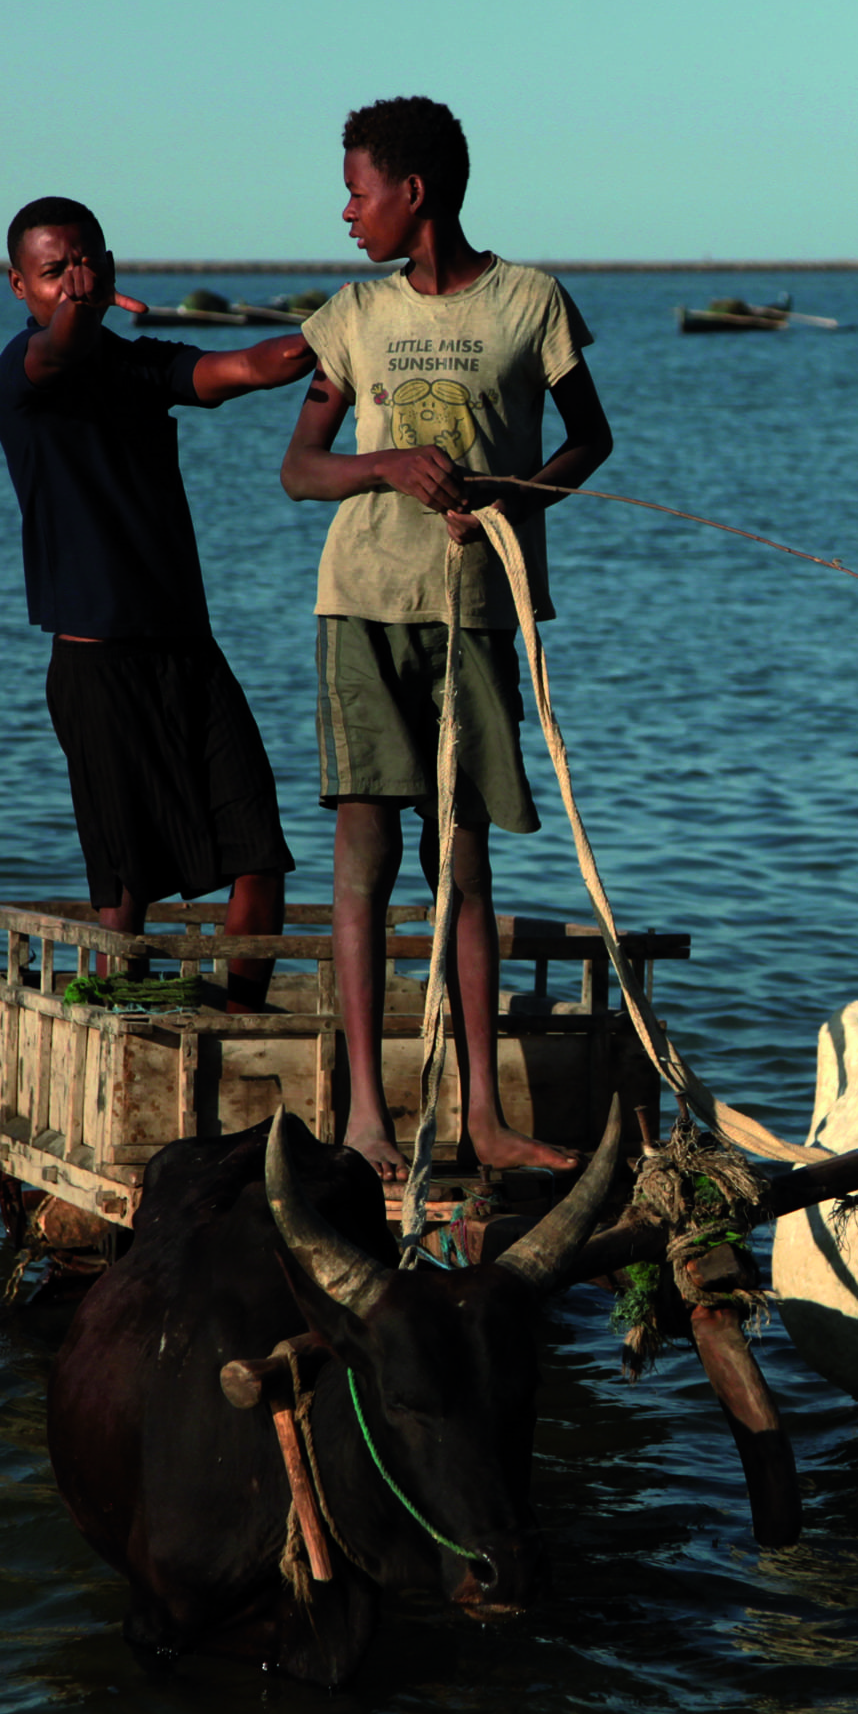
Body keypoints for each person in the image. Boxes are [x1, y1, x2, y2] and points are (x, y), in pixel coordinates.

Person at [281, 97, 614, 1178]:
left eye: (358, 191)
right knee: (366, 857)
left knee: (460, 856)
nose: (346, 213)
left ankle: (481, 1117)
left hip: (474, 609)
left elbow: (590, 437)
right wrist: (388, 465)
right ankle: (367, 1116)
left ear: (412, 194)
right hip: (364, 604)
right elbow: (302, 469)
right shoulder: (356, 314)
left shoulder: (530, 303)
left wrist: (515, 501)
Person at [0, 196, 314, 1009]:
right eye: (55, 269)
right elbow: (59, 346)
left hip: (186, 649)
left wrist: (342, 331)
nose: (77, 277)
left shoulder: (140, 364)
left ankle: (243, 1017)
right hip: (94, 662)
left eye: (89, 259)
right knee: (125, 882)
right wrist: (77, 313)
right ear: (20, 286)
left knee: (259, 851)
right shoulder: (22, 369)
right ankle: (120, 1019)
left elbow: (245, 368)